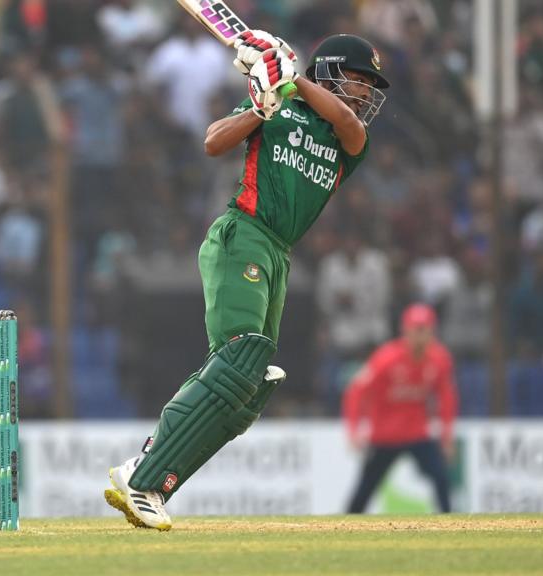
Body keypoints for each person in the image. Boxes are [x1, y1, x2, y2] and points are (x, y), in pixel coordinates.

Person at [104, 32, 390, 530]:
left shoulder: (351, 140)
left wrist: (288, 75)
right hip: (244, 234)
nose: (365, 92)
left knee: (245, 387)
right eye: (358, 78)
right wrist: (262, 106)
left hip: (279, 254)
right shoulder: (277, 106)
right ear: (330, 71)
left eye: (370, 84)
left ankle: (151, 476)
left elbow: (345, 120)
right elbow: (214, 141)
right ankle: (143, 474)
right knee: (239, 357)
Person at [342, 304, 459, 513]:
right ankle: (344, 527)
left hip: (417, 434)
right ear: (405, 331)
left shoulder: (439, 359)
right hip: (384, 437)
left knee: (440, 477)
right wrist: (353, 430)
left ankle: (450, 524)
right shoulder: (386, 358)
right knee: (364, 491)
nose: (421, 336)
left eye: (425, 330)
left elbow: (447, 398)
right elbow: (355, 391)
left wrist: (447, 438)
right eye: (417, 329)